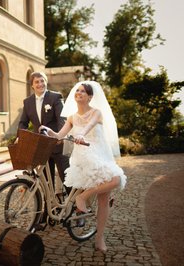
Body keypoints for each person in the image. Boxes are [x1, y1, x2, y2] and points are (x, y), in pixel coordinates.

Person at [39, 81, 127, 253]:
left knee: (108, 192)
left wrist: (80, 134)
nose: (79, 93)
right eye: (77, 91)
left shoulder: (96, 113)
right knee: (114, 181)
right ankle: (83, 199)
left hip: (101, 155)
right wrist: (48, 130)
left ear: (90, 97)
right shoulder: (71, 117)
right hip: (84, 157)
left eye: (83, 91)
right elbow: (59, 137)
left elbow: (88, 126)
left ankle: (99, 237)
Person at [18, 71, 70, 193]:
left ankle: (75, 204)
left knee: (66, 176)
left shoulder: (55, 97)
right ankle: (48, 207)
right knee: (46, 181)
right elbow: (23, 122)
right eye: (37, 82)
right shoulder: (27, 102)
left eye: (42, 81)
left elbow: (62, 119)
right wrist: (20, 137)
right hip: (41, 146)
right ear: (32, 85)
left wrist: (60, 136)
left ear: (46, 82)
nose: (40, 84)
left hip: (57, 144)